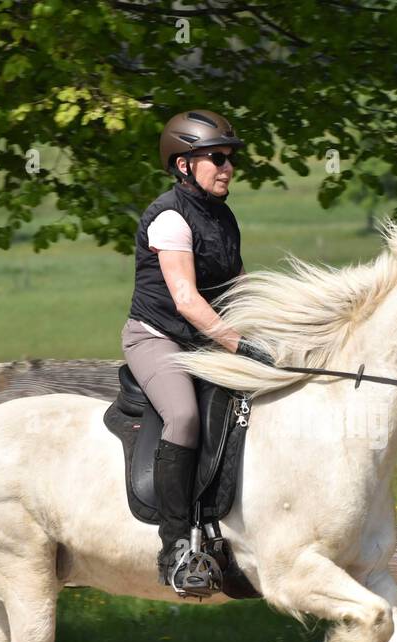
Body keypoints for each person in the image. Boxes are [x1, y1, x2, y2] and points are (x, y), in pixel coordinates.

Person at [122, 109, 274, 592]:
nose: (227, 167)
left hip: (205, 341)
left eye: (231, 158)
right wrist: (241, 344)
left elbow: (239, 287)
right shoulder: (169, 217)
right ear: (184, 165)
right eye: (217, 158)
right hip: (158, 338)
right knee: (184, 416)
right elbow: (187, 300)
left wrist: (272, 333)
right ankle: (174, 547)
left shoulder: (222, 215)